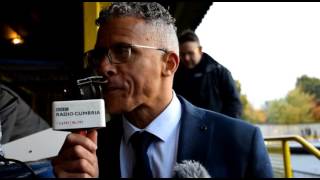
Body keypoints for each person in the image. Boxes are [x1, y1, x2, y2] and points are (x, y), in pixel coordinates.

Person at [52, 2, 273, 178]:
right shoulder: (86, 152)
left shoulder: (240, 142)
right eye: (98, 56)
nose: (103, 67)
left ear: (169, 64)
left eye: (122, 51)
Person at [173, 30, 242, 118]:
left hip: (214, 127)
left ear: (200, 50)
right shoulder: (174, 74)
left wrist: (223, 128)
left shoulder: (220, 72)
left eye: (190, 53)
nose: (186, 58)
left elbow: (234, 105)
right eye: (182, 54)